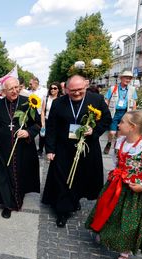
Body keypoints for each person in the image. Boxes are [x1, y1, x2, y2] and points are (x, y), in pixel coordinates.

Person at [86, 110, 142, 259]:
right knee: (108, 212)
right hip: (116, 186)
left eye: (122, 122)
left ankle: (124, 254)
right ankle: (105, 233)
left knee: (128, 222)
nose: (118, 124)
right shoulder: (120, 141)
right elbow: (116, 160)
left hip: (135, 193)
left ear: (132, 127)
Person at [42, 75, 112, 227]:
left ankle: (74, 199)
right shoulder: (58, 103)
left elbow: (107, 119)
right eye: (72, 90)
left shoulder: (97, 100)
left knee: (81, 177)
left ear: (86, 86)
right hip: (63, 148)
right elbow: (52, 127)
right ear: (66, 89)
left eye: (80, 90)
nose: (76, 93)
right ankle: (62, 211)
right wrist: (50, 149)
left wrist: (93, 131)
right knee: (63, 178)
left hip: (86, 147)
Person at [0, 77, 41, 219]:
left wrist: (28, 132)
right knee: (4, 177)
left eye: (16, 87)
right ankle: (7, 205)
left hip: (22, 148)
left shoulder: (27, 103)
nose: (14, 91)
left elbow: (38, 124)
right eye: (10, 89)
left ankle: (18, 199)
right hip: (3, 148)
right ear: (4, 91)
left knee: (19, 174)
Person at [103, 70, 137, 155]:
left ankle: (117, 147)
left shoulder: (132, 89)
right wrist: (105, 111)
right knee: (112, 132)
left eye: (130, 78)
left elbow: (134, 102)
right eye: (126, 78)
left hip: (126, 113)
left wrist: (133, 115)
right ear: (121, 78)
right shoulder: (113, 88)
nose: (128, 80)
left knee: (120, 132)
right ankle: (109, 142)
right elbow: (107, 100)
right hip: (114, 112)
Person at [39, 82, 62, 156]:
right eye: (51, 88)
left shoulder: (61, 99)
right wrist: (43, 123)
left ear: (58, 90)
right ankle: (40, 150)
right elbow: (42, 111)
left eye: (55, 88)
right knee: (43, 136)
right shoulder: (46, 98)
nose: (52, 90)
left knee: (54, 136)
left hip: (56, 122)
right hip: (47, 120)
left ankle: (52, 152)